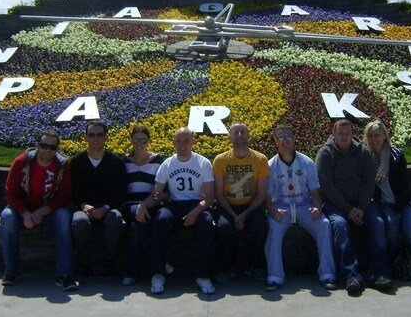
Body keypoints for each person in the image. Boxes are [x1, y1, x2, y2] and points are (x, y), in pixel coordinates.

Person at [315, 118, 391, 294]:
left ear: (352, 135)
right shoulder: (325, 153)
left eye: (347, 134)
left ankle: (378, 273)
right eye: (340, 134)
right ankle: (351, 275)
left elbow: (368, 182)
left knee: (377, 223)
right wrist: (348, 210)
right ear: (334, 134)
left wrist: (362, 208)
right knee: (340, 226)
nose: (344, 137)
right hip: (336, 205)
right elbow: (327, 186)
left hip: (362, 204)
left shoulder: (363, 152)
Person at [138, 127, 216, 295]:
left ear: (193, 141)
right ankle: (158, 273)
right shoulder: (167, 164)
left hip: (198, 203)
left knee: (206, 223)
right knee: (160, 219)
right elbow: (156, 194)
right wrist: (143, 204)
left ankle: (202, 275)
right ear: (173, 142)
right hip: (175, 204)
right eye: (178, 140)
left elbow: (210, 197)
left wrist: (196, 211)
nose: (182, 144)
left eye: (186, 140)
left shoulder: (203, 163)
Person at [0, 129, 77, 291]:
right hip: (22, 211)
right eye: (44, 145)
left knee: (64, 216)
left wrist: (42, 212)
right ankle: (11, 272)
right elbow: (10, 193)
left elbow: (64, 196)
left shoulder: (62, 165)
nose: (48, 150)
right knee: (6, 217)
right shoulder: (22, 162)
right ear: (37, 145)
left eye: (53, 147)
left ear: (57, 149)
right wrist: (25, 213)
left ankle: (64, 275)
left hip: (49, 212)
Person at [263, 124, 337, 292]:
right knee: (273, 227)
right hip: (281, 207)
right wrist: (273, 211)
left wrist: (318, 208)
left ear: (295, 139)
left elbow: (314, 192)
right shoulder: (270, 165)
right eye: (280, 137)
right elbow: (267, 197)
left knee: (324, 225)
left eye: (288, 136)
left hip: (304, 205)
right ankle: (275, 276)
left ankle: (327, 274)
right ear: (275, 140)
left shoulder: (306, 163)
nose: (285, 140)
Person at [363, 119, 411, 278]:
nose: (374, 139)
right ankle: (392, 263)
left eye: (377, 135)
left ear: (385, 135)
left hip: (404, 203)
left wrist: (399, 208)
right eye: (370, 136)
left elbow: (404, 185)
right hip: (384, 204)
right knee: (391, 228)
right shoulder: (366, 158)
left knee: (409, 231)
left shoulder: (396, 156)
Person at [69, 120, 128, 277]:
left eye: (100, 135)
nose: (96, 139)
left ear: (106, 137)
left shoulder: (116, 162)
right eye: (91, 135)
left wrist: (106, 208)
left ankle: (109, 261)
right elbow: (72, 191)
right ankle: (85, 262)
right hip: (84, 208)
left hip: (108, 208)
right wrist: (83, 206)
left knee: (115, 219)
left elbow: (120, 192)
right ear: (85, 138)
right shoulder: (76, 162)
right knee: (79, 222)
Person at [212, 122, 269, 282]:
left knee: (259, 225)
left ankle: (255, 266)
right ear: (229, 137)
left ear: (248, 135)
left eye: (243, 132)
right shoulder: (220, 160)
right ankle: (226, 268)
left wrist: (244, 214)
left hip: (251, 206)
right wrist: (233, 215)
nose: (239, 136)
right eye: (235, 133)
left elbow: (261, 193)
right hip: (227, 205)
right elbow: (219, 193)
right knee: (223, 228)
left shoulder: (260, 159)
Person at [120, 124, 167, 286]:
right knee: (137, 216)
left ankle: (130, 272)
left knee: (135, 227)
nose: (139, 143)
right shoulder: (124, 161)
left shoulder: (158, 161)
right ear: (131, 140)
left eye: (143, 140)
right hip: (129, 204)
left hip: (151, 204)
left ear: (148, 140)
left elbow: (163, 191)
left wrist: (147, 204)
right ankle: (158, 266)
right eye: (136, 139)